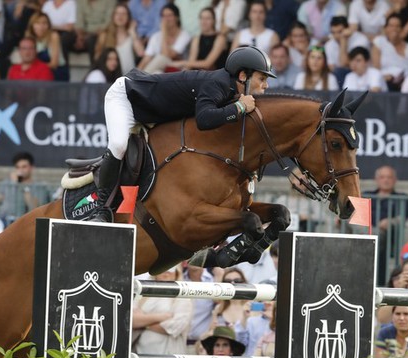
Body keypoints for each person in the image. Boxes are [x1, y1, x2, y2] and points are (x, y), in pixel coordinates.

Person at [90, 45, 276, 223]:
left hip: (151, 113)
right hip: (127, 98)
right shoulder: (217, 84)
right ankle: (101, 208)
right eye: (262, 78)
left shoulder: (230, 89)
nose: (266, 85)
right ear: (243, 76)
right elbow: (204, 120)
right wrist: (240, 107)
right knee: (118, 144)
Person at [132, 265, 192, 354]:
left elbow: (175, 326)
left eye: (170, 270)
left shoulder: (183, 298)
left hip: (169, 352)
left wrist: (143, 321)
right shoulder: (142, 293)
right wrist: (161, 317)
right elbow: (132, 319)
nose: (166, 273)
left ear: (176, 272)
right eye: (163, 269)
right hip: (140, 351)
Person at [0, 151, 50, 225]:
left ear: (31, 168)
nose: (20, 170)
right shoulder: (8, 184)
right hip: (7, 224)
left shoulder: (40, 187)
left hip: (29, 224)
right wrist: (14, 184)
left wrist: (24, 188)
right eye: (17, 167)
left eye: (24, 167)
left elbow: (36, 209)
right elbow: (4, 209)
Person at [137, 2, 191, 74]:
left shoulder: (184, 35)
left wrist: (164, 31)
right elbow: (146, 59)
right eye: (164, 16)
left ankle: (138, 80)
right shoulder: (156, 36)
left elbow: (166, 55)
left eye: (169, 15)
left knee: (161, 58)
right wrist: (136, 72)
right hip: (160, 72)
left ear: (177, 17)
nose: (166, 19)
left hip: (177, 71)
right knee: (157, 72)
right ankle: (133, 78)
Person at [94, 3, 145, 75]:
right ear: (113, 16)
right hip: (110, 77)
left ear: (128, 17)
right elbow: (97, 57)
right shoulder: (105, 35)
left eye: (124, 14)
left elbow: (141, 53)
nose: (120, 16)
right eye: (117, 13)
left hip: (128, 76)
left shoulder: (131, 35)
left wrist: (133, 32)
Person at [171, 7, 227, 71]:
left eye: (207, 18)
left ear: (214, 20)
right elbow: (191, 62)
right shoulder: (196, 38)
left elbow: (207, 64)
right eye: (202, 18)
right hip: (199, 74)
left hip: (215, 75)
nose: (204, 21)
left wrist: (181, 63)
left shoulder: (220, 38)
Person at [372, 14, 408, 91]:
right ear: (386, 28)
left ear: (401, 29)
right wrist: (385, 77)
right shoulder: (379, 42)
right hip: (385, 82)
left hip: (406, 84)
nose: (394, 29)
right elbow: (376, 69)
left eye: (397, 26)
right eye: (391, 26)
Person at [182, 262, 216, 354]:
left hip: (203, 346)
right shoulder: (179, 279)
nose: (195, 257)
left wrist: (219, 277)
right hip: (177, 343)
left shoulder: (214, 279)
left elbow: (221, 304)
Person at [26, 12, 69, 81]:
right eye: (37, 23)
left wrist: (35, 68)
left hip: (57, 72)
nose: (41, 27)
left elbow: (54, 63)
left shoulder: (53, 36)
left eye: (44, 23)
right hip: (38, 72)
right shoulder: (29, 37)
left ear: (48, 25)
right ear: (32, 25)